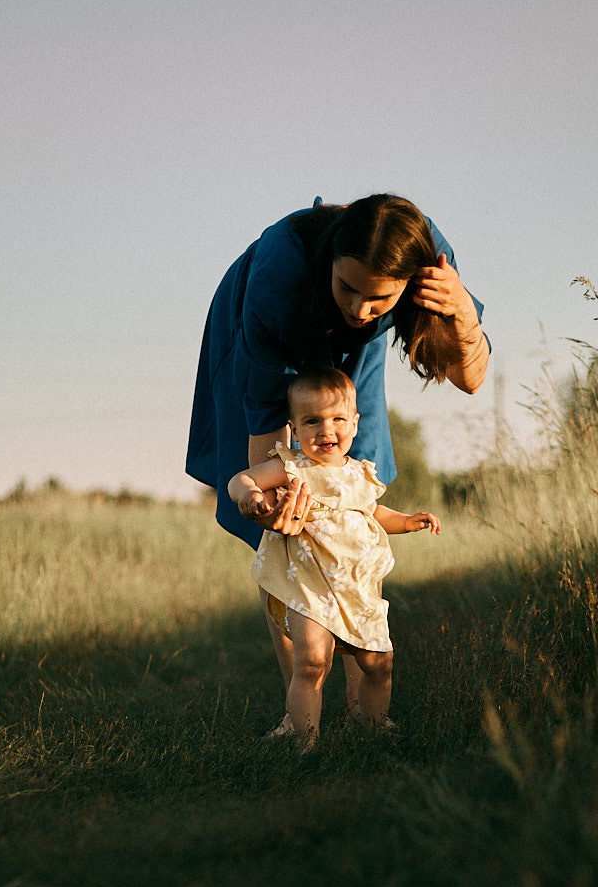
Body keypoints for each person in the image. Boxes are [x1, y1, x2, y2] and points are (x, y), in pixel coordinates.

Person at [186, 193, 489, 720]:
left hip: (359, 353)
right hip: (270, 320)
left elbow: (472, 379)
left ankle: (362, 708)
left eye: (379, 299)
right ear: (331, 262)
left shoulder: (430, 258)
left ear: (407, 284)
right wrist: (271, 509)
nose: (359, 308)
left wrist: (462, 312)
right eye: (348, 288)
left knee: (355, 495)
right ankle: (300, 704)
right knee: (282, 530)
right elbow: (264, 431)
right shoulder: (279, 279)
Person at [228, 369, 439, 747]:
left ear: (355, 424)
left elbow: (373, 513)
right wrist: (250, 495)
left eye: (337, 419)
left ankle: (371, 728)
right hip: (310, 586)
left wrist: (408, 521)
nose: (326, 430)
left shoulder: (360, 473)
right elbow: (240, 478)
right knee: (312, 663)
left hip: (357, 589)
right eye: (312, 421)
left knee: (379, 663)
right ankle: (304, 740)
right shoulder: (293, 466)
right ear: (293, 427)